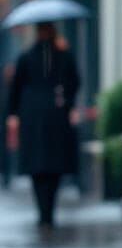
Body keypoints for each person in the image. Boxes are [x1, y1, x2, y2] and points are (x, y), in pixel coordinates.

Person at [5, 23, 80, 230]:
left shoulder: (27, 56)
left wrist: (13, 113)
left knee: (41, 167)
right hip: (52, 114)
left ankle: (45, 213)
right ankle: (47, 212)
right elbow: (74, 83)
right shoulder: (62, 56)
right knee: (49, 166)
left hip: (34, 115)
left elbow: (16, 88)